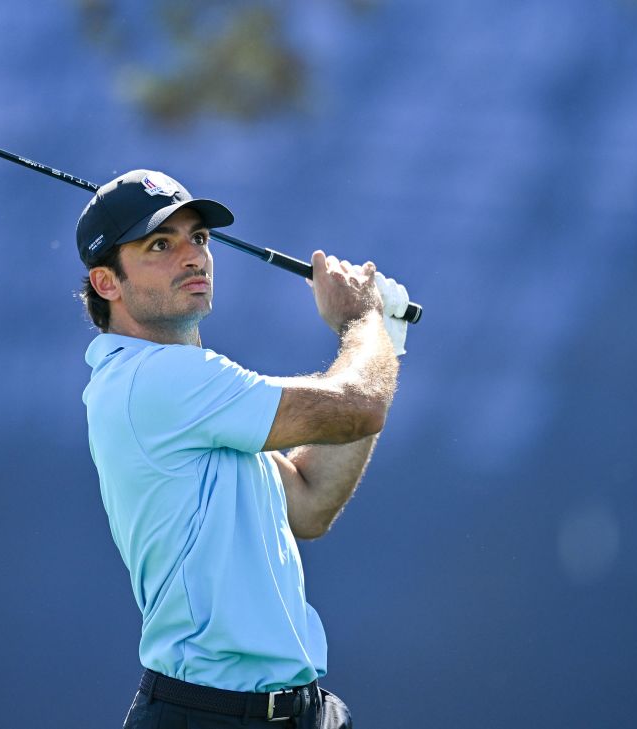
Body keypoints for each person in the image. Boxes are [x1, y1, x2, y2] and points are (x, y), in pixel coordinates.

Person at [77, 170, 410, 728]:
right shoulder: (154, 380)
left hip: (298, 710)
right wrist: (365, 321)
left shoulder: (191, 395)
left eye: (199, 238)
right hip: (208, 715)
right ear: (107, 282)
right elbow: (358, 406)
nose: (192, 256)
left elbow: (309, 500)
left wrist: (387, 342)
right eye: (161, 244)